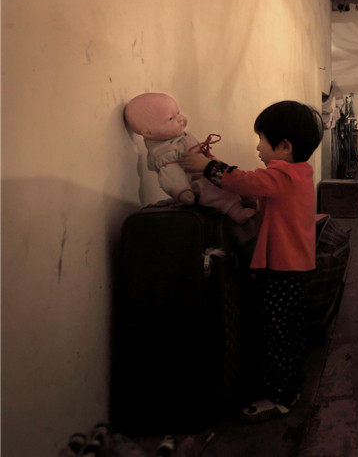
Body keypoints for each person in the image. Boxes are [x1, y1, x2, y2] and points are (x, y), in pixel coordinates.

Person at [180, 100, 324, 422]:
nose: (257, 147)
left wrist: (207, 166)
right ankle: (291, 384)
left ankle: (281, 397)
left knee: (275, 333)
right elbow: (257, 190)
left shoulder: (283, 174)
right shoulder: (297, 173)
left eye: (261, 138)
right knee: (286, 330)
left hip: (284, 270)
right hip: (294, 268)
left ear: (284, 146)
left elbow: (247, 181)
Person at [124, 92, 256, 223]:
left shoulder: (176, 138)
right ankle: (236, 212)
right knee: (216, 192)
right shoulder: (165, 153)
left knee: (229, 175)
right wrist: (181, 191)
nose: (181, 118)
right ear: (148, 132)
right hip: (196, 183)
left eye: (178, 113)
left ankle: (245, 197)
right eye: (171, 118)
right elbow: (171, 175)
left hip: (206, 171)